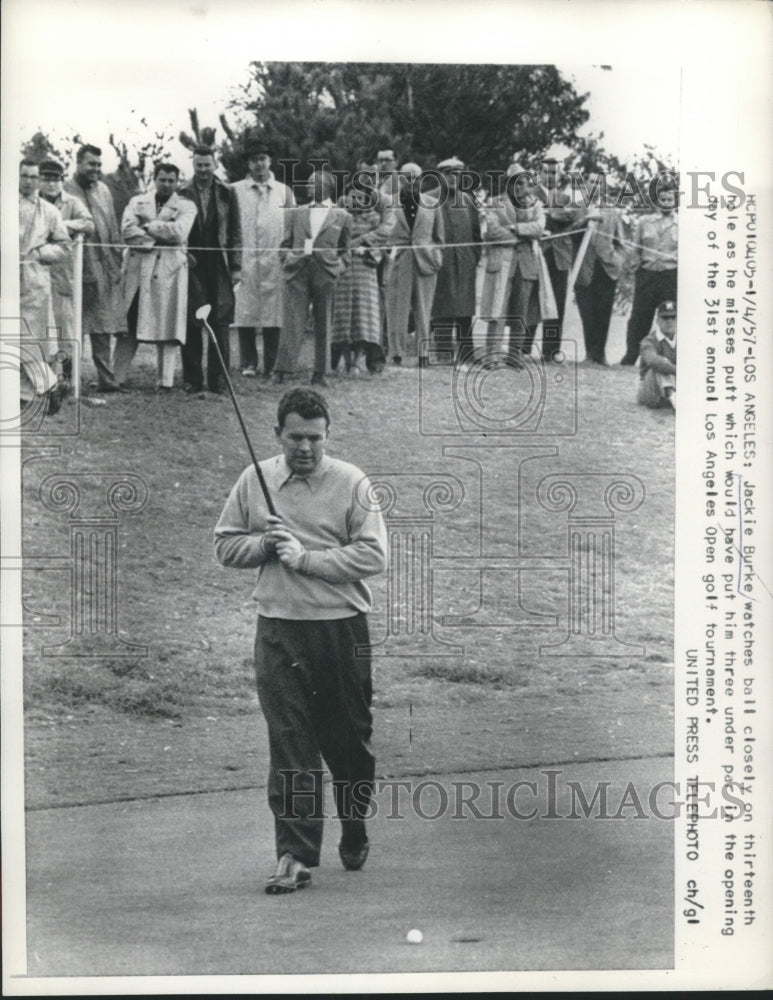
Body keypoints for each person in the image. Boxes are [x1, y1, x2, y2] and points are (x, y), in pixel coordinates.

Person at [214, 387, 387, 893]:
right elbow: (224, 545)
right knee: (291, 744)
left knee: (349, 743)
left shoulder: (352, 482)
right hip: (279, 631)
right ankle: (293, 854)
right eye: (295, 438)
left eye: (315, 438)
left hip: (340, 630)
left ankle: (353, 821)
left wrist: (306, 558)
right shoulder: (255, 480)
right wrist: (265, 544)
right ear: (277, 435)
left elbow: (373, 556)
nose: (305, 448)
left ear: (327, 436)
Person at [119, 163, 198, 391]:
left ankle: (165, 380)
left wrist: (148, 226)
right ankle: (118, 376)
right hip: (138, 268)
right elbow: (127, 231)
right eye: (162, 179)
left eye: (171, 180)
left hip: (169, 270)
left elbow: (179, 233)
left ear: (177, 182)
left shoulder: (186, 206)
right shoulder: (137, 202)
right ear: (154, 179)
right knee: (130, 322)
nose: (166, 184)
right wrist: (159, 236)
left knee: (168, 324)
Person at [273, 169, 351, 387]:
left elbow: (347, 249)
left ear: (326, 187)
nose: (307, 186)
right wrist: (288, 259)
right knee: (292, 321)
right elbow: (284, 244)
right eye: (307, 183)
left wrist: (339, 268)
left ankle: (320, 373)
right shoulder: (297, 213)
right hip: (298, 271)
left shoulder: (342, 216)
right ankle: (282, 370)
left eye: (312, 183)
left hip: (325, 273)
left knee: (325, 321)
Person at [64, 144, 128, 392]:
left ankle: (107, 380)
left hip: (102, 270)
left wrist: (115, 263)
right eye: (91, 164)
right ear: (78, 163)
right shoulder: (65, 191)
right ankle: (69, 380)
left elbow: (112, 228)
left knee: (102, 327)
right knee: (72, 328)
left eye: (99, 165)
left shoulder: (104, 191)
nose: (96, 169)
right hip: (74, 270)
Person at [178, 145, 242, 394]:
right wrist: (184, 255)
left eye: (207, 165)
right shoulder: (182, 192)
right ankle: (192, 381)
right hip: (192, 265)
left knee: (221, 322)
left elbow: (236, 232)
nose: (203, 170)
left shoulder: (227, 192)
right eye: (199, 165)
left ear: (215, 165)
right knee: (193, 322)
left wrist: (236, 267)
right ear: (193, 165)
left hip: (220, 265)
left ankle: (219, 382)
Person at [232, 142, 295, 379]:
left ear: (270, 161)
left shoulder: (284, 191)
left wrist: (289, 254)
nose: (259, 164)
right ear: (248, 164)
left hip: (275, 259)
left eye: (263, 158)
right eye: (254, 159)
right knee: (245, 310)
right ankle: (248, 362)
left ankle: (271, 363)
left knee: (274, 311)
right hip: (246, 258)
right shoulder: (235, 190)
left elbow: (293, 225)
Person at [18, 159, 71, 414]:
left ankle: (41, 386)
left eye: (33, 177)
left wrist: (41, 253)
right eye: (24, 176)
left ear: (39, 180)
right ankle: (41, 388)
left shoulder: (49, 211)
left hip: (33, 280)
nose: (28, 181)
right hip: (7, 278)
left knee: (25, 337)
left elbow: (64, 245)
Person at [38, 159, 95, 383]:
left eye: (55, 178)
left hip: (64, 274)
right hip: (36, 273)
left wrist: (61, 226)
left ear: (62, 180)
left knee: (66, 330)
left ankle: (70, 380)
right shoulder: (31, 203)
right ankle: (43, 379)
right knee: (39, 328)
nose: (51, 184)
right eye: (46, 178)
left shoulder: (72, 202)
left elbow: (88, 224)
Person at [482, 163, 546, 364]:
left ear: (528, 184)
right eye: (514, 183)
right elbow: (491, 232)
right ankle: (491, 355)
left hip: (527, 265)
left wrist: (516, 228)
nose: (518, 187)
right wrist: (518, 237)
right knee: (497, 310)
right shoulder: (495, 202)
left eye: (522, 183)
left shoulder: (535, 205)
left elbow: (539, 227)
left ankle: (514, 356)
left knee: (521, 310)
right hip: (502, 262)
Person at [383, 163, 445, 367]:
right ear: (400, 179)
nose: (411, 182)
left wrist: (435, 257)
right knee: (396, 310)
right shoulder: (389, 203)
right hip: (399, 262)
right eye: (406, 178)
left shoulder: (433, 204)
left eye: (415, 178)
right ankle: (396, 353)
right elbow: (382, 234)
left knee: (424, 309)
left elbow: (439, 238)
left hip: (425, 263)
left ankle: (423, 354)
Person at [331, 178, 394, 374]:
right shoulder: (339, 216)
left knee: (363, 317)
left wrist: (365, 248)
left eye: (359, 197)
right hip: (343, 270)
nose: (355, 201)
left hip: (365, 270)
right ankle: (346, 360)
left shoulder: (374, 218)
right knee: (343, 317)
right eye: (351, 197)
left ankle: (358, 360)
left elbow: (383, 239)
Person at [430, 156, 482, 367]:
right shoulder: (429, 199)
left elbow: (477, 235)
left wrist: (473, 258)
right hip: (440, 264)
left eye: (457, 174)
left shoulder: (468, 201)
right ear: (440, 176)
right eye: (448, 174)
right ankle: (443, 354)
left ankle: (467, 354)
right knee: (441, 308)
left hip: (465, 264)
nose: (453, 178)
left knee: (464, 310)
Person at [620, 184, 678, 365]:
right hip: (647, 275)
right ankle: (631, 356)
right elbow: (636, 250)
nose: (666, 203)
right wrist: (631, 270)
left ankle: (670, 357)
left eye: (670, 199)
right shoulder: (645, 222)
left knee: (670, 317)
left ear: (676, 201)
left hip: (670, 276)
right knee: (639, 316)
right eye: (663, 199)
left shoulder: (682, 224)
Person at [536, 153, 583, 362]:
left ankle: (551, 350)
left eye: (553, 173)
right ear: (540, 173)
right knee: (530, 300)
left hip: (560, 256)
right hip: (537, 252)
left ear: (559, 174)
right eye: (546, 172)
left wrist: (548, 215)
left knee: (558, 304)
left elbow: (572, 215)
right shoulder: (531, 195)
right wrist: (553, 215)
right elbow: (529, 216)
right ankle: (522, 347)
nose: (549, 176)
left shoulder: (565, 197)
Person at [573, 181, 626, 366]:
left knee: (603, 312)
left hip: (606, 269)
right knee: (587, 312)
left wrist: (616, 261)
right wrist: (583, 222)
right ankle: (589, 353)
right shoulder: (578, 209)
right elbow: (570, 235)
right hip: (583, 268)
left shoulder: (612, 213)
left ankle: (600, 354)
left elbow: (621, 244)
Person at [637, 300, 677, 409]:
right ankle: (674, 398)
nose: (669, 321)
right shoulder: (648, 341)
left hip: (677, 384)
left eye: (673, 317)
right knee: (661, 364)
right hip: (652, 392)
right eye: (665, 318)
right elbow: (653, 361)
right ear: (657, 320)